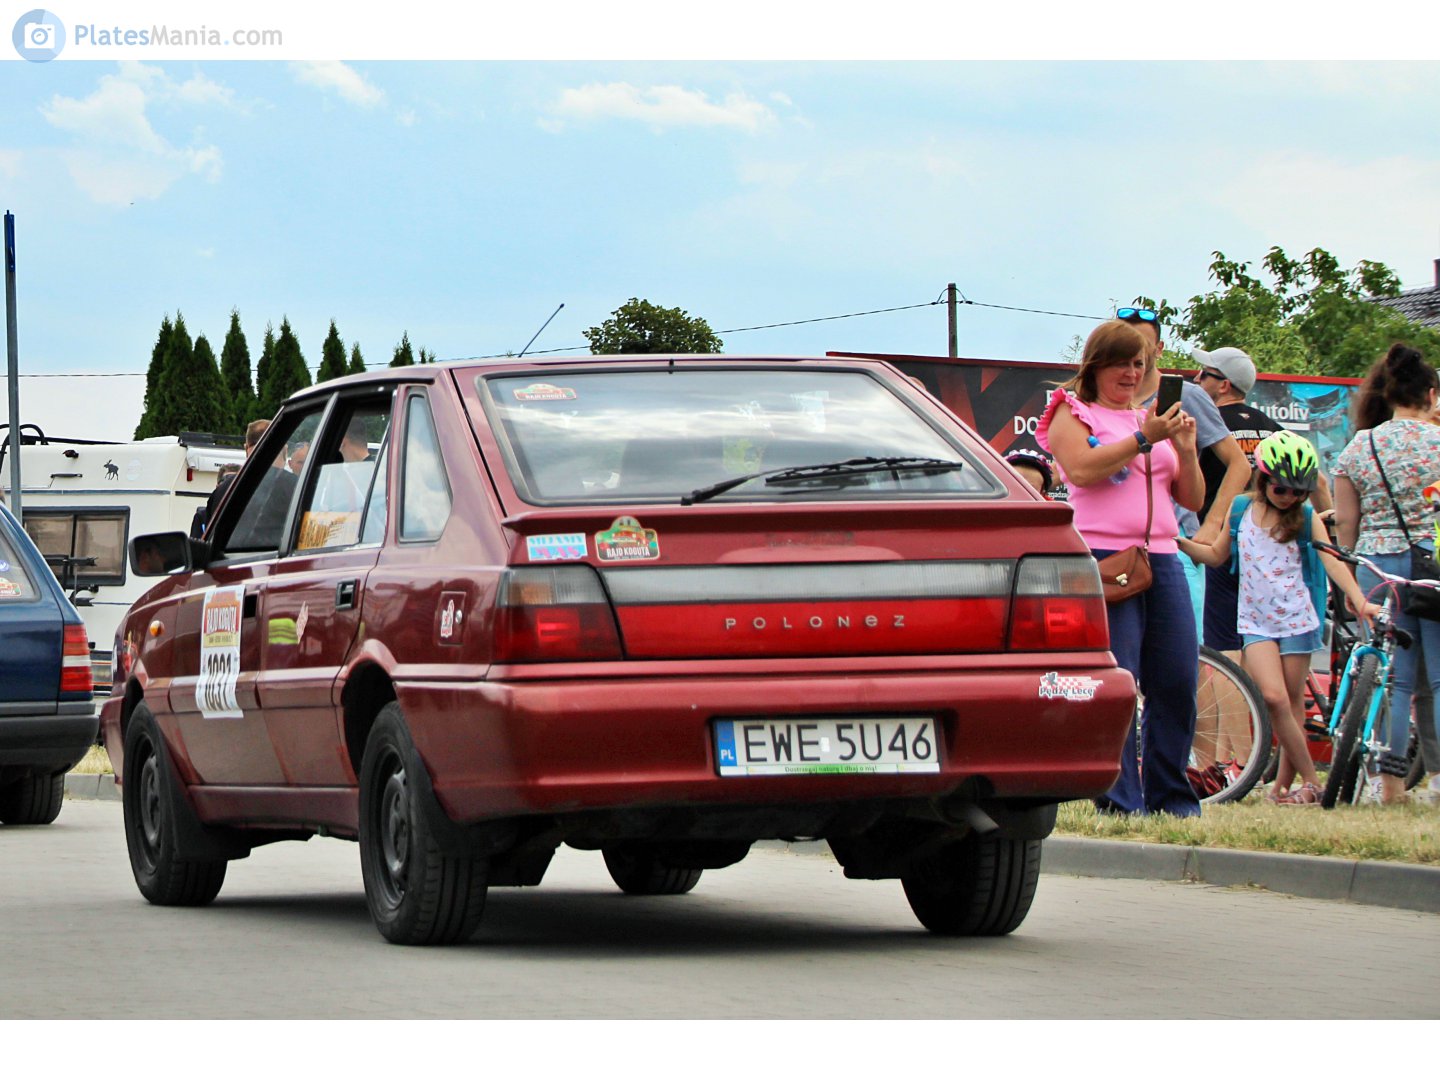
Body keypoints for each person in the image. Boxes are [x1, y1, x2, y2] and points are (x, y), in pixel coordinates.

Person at [1038, 318, 1204, 816]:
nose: (1131, 374)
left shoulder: (1149, 417)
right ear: (1097, 365)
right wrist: (1144, 440)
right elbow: (1082, 472)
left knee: (1176, 678)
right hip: (1106, 558)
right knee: (1120, 681)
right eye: (1121, 364)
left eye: (1140, 364)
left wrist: (1188, 452)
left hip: (1164, 557)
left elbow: (1190, 497)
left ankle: (1172, 798)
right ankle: (1118, 801)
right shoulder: (1074, 411)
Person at [1180, 432, 1376, 804]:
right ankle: (1313, 781)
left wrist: (1359, 599)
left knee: (1292, 702)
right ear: (1264, 480)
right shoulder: (1240, 510)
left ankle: (1284, 787)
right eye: (1282, 490)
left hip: (1297, 621)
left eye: (1298, 492)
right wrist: (1176, 543)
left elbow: (1330, 559)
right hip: (1255, 622)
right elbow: (1217, 555)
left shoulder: (1304, 516)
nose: (1291, 498)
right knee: (1273, 698)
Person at [1333, 343, 1440, 804]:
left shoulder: (1362, 445)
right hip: (1433, 564)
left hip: (1380, 569)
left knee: (1392, 678)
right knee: (1438, 679)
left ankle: (1389, 783)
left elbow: (1347, 527)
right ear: (1431, 394)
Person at [1118, 309, 1252, 633]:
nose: (1133, 353)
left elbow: (1239, 464)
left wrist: (1212, 525)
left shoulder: (1186, 396)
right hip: (1119, 551)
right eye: (1124, 343)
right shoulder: (1106, 399)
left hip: (1176, 546)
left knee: (1185, 659)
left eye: (1143, 345)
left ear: (1159, 348)